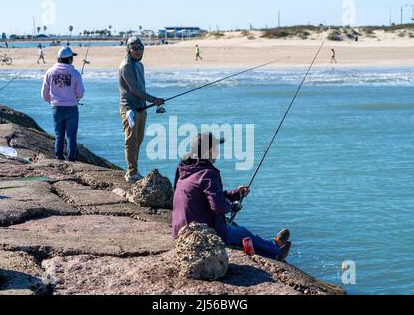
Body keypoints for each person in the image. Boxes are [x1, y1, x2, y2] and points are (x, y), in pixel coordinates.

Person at [172, 133, 292, 261]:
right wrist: (231, 206)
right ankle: (275, 247)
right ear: (210, 151)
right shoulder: (207, 173)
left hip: (179, 234)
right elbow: (218, 206)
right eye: (216, 148)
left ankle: (273, 253)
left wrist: (236, 194)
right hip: (201, 234)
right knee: (242, 233)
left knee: (238, 234)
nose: (218, 152)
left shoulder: (185, 169)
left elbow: (205, 198)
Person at [119, 37, 165, 183]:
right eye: (134, 48)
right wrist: (154, 100)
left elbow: (141, 88)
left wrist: (150, 101)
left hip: (142, 108)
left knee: (139, 140)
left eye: (140, 48)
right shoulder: (125, 66)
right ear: (128, 49)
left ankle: (135, 170)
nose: (138, 51)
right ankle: (131, 172)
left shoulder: (140, 65)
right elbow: (134, 90)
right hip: (129, 109)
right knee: (131, 140)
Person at [41, 47, 85, 162]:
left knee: (59, 135)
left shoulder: (50, 72)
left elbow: (44, 94)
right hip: (71, 108)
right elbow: (80, 93)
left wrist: (51, 101)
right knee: (71, 136)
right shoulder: (75, 73)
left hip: (56, 108)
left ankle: (58, 158)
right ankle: (71, 159)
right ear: (70, 59)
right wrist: (75, 97)